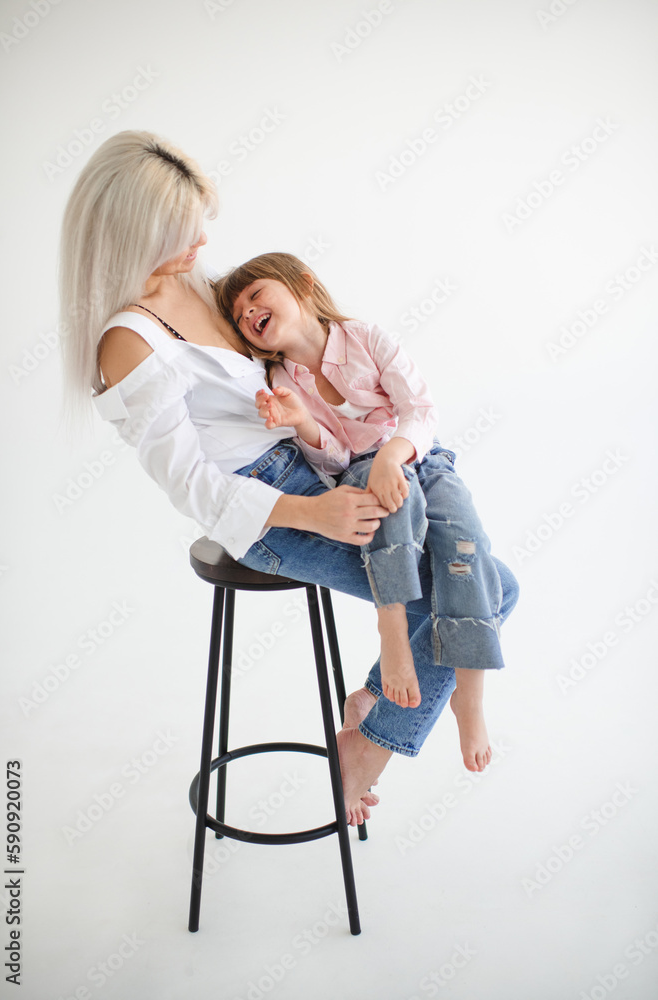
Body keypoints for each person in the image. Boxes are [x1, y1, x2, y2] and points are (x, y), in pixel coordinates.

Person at [59, 129, 519, 826]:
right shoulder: (131, 341)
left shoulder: (200, 288)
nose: (202, 246)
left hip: (317, 466)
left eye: (199, 226)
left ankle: (369, 705)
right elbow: (189, 487)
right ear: (131, 234)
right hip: (270, 512)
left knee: (485, 583)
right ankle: (367, 749)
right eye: (182, 233)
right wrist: (312, 514)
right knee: (477, 593)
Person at [215, 253, 509, 773]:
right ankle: (391, 631)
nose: (248, 312)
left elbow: (420, 409)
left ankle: (469, 694)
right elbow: (330, 458)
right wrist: (302, 422)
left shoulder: (365, 337)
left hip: (419, 457)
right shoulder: (280, 377)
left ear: (303, 284)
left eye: (256, 294)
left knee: (465, 541)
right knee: (384, 510)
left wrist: (394, 456)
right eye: (239, 314)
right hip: (358, 472)